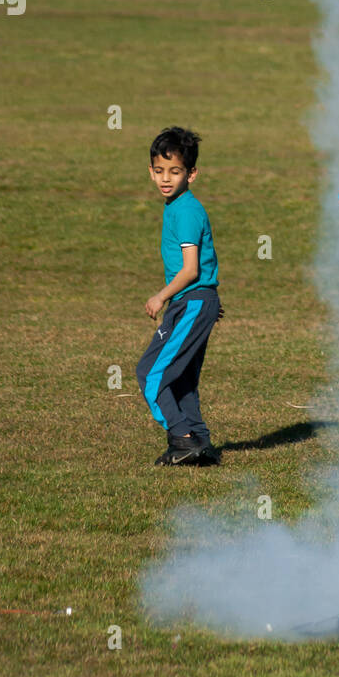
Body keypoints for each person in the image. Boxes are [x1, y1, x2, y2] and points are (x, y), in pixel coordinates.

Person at [136, 126, 222, 467]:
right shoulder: (177, 207)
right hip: (197, 302)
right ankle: (199, 442)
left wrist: (160, 296)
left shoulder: (185, 210)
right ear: (151, 171)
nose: (165, 179)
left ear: (192, 173)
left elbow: (190, 270)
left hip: (191, 300)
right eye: (159, 171)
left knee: (150, 373)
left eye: (175, 171)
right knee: (182, 376)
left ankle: (182, 437)